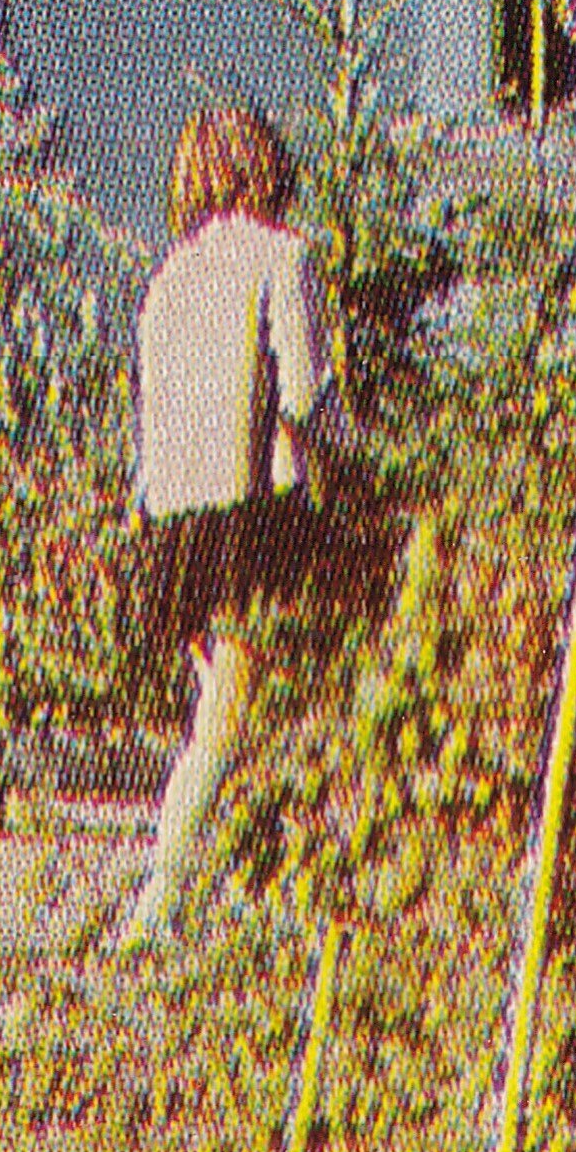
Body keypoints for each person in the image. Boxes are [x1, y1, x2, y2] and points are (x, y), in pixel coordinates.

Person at [114, 103, 336, 949]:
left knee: (228, 713)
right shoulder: (284, 258)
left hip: (175, 526)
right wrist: (368, 466)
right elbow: (307, 395)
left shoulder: (169, 280)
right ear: (267, 166)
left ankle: (243, 898)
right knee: (238, 719)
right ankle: (158, 909)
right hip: (255, 520)